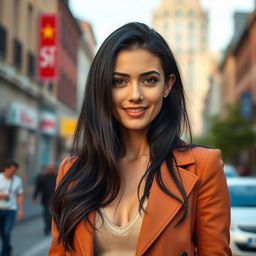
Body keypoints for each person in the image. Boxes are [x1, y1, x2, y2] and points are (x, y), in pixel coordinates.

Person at [49, 22, 232, 255]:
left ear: (167, 85)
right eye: (119, 81)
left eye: (149, 80)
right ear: (103, 88)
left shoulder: (203, 167)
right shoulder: (72, 171)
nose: (135, 95)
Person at [0, 160, 23, 256]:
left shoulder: (17, 180)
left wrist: (20, 210)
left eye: (15, 171)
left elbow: (19, 195)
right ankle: (8, 247)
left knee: (6, 231)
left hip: (11, 209)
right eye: (12, 170)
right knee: (3, 232)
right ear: (6, 168)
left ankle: (4, 253)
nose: (14, 173)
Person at [33, 164, 56, 235]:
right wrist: (34, 197)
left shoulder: (57, 177)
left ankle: (49, 226)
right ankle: (47, 227)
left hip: (55, 200)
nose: (50, 170)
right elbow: (38, 188)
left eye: (52, 168)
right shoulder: (43, 178)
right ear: (47, 169)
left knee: (52, 214)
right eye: (49, 168)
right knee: (46, 214)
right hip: (45, 199)